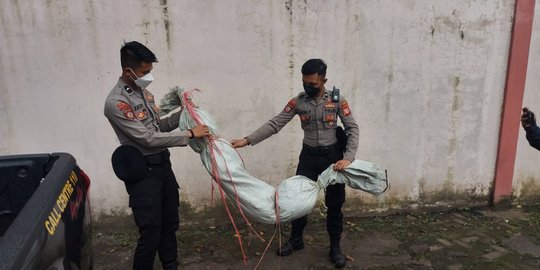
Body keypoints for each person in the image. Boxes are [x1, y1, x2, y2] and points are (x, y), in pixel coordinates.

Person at [231, 58, 359, 268]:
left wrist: (348, 157)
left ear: (324, 80)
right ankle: (296, 239)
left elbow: (352, 128)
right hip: (308, 158)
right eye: (305, 83)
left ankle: (335, 247)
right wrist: (247, 140)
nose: (308, 87)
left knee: (335, 204)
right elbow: (276, 123)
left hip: (332, 159)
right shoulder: (299, 101)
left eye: (313, 84)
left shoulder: (337, 100)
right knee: (297, 201)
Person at [104, 41, 210, 270]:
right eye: (145, 72)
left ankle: (170, 264)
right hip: (143, 174)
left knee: (170, 223)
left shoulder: (145, 94)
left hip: (163, 167)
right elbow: (147, 139)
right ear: (127, 71)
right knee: (150, 231)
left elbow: (157, 128)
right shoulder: (117, 103)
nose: (149, 76)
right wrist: (190, 133)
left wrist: (183, 115)